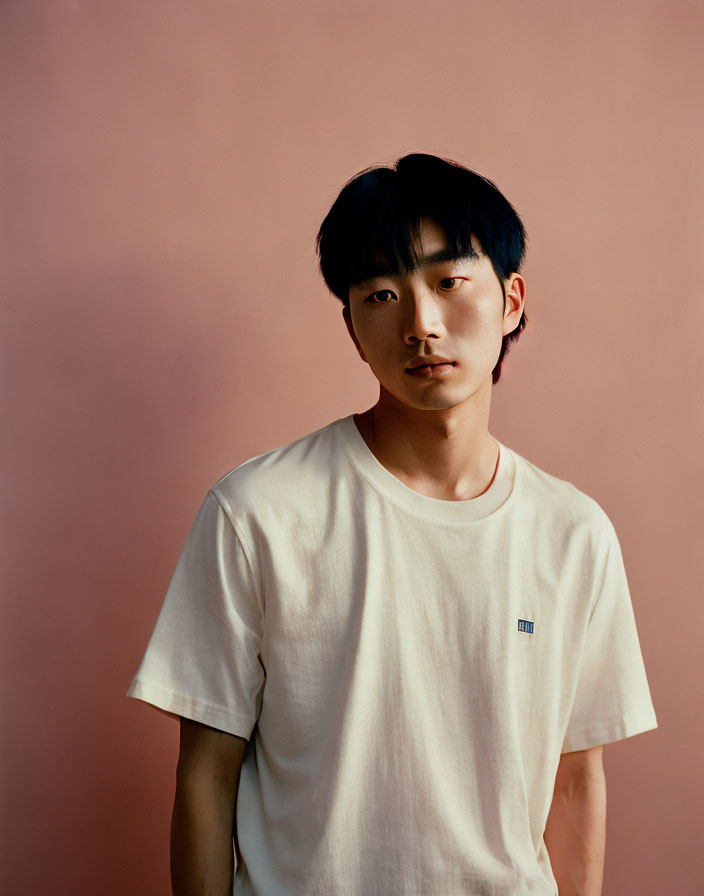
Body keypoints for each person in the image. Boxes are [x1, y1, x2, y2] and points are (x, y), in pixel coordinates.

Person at [126, 152, 658, 896]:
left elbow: (573, 786)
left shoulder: (574, 534)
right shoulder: (257, 514)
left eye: (448, 281)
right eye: (381, 294)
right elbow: (205, 774)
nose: (421, 323)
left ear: (511, 300)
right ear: (351, 327)